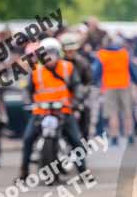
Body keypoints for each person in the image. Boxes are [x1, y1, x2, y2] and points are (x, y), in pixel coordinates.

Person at [18, 38, 91, 182]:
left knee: (76, 140)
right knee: (27, 139)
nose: (49, 57)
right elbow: (27, 90)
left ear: (58, 53)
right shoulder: (36, 71)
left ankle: (83, 172)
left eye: (52, 53)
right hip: (41, 112)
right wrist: (28, 102)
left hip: (63, 111)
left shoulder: (68, 67)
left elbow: (77, 87)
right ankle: (23, 172)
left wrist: (75, 102)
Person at [93, 36, 137, 145]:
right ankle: (129, 134)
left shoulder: (102, 54)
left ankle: (115, 136)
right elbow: (132, 70)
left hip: (109, 87)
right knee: (127, 112)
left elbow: (96, 72)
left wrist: (95, 83)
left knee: (113, 113)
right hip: (124, 85)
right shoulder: (124, 54)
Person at [61, 33, 93, 139]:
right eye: (68, 50)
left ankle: (83, 140)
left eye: (73, 50)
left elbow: (88, 82)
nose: (71, 52)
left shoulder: (82, 63)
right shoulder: (58, 64)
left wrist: (80, 95)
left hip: (79, 96)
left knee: (85, 112)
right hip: (61, 97)